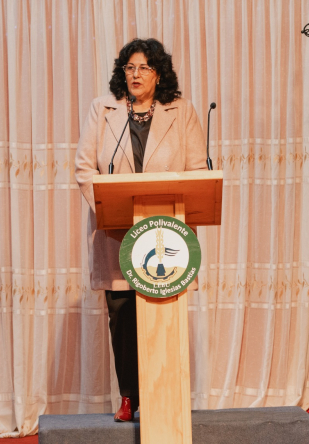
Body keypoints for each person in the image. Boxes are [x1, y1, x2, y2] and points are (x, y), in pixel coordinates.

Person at [75, 38, 206, 422]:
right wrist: (106, 206)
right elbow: (85, 168)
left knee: (164, 315)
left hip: (167, 233)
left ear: (159, 74)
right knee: (122, 317)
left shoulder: (181, 111)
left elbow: (197, 170)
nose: (135, 74)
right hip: (117, 233)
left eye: (144, 68)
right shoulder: (103, 110)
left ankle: (162, 395)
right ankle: (129, 396)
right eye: (129, 67)